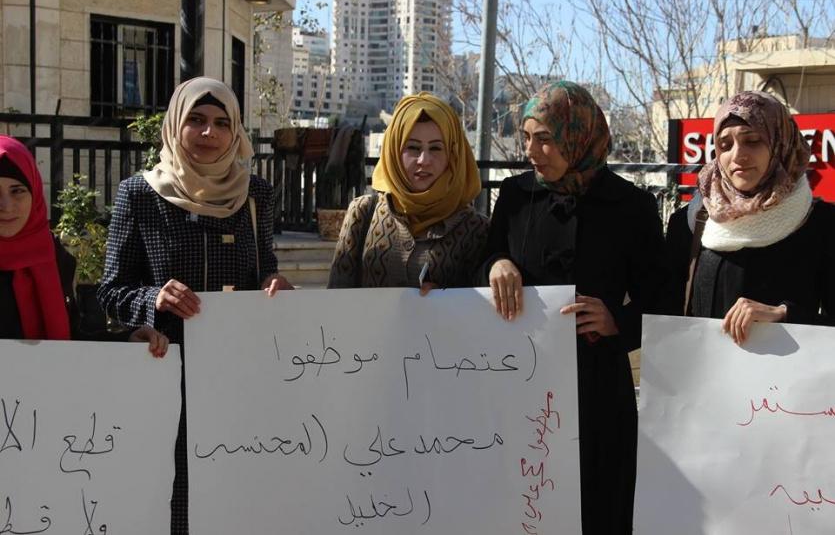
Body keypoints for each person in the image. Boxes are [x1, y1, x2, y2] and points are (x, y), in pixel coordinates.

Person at [97, 77, 292, 535]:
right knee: (171, 497)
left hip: (237, 375)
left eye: (222, 123)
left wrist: (274, 285)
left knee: (235, 495)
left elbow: (264, 270)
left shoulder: (254, 195)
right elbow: (110, 291)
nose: (209, 133)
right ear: (175, 125)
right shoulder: (140, 194)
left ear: (236, 131)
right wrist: (153, 298)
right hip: (166, 373)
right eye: (197, 120)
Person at [480, 81, 668, 534]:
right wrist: (497, 263)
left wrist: (616, 321)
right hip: (523, 381)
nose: (532, 151)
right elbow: (485, 259)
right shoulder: (516, 196)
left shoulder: (631, 206)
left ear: (578, 137)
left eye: (545, 138)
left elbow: (661, 298)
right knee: (527, 504)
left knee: (598, 506)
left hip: (598, 386)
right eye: (527, 137)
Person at [666, 90, 835, 342]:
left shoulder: (822, 224)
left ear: (780, 142)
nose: (738, 155)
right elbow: (664, 312)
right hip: (703, 366)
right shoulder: (690, 223)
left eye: (753, 140)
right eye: (725, 145)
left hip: (789, 367)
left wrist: (785, 315)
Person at [0, 136, 166, 352]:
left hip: (44, 374)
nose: (6, 205)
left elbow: (70, 338)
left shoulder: (50, 255)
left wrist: (127, 340)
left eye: (17, 191)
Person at [328, 92, 487, 291]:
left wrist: (446, 299)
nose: (424, 160)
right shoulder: (363, 213)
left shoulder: (475, 229)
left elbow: (483, 304)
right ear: (394, 150)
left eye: (436, 148)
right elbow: (336, 297)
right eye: (413, 147)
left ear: (453, 155)